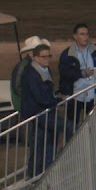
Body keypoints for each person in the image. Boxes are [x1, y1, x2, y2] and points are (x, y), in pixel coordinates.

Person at [57, 22, 96, 129]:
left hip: (93, 94)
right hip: (75, 95)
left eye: (87, 34)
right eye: (82, 34)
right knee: (72, 126)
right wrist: (81, 73)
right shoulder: (67, 54)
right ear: (75, 36)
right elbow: (64, 72)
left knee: (95, 125)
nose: (85, 37)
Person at [19, 42, 60, 178]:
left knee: (45, 143)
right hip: (37, 113)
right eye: (44, 56)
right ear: (34, 56)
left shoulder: (42, 69)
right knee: (39, 145)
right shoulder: (29, 71)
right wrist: (55, 100)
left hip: (43, 112)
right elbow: (39, 95)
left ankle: (42, 174)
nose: (47, 59)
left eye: (49, 56)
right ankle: (35, 175)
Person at [8, 35, 45, 116]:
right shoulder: (23, 66)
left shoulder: (39, 63)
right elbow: (17, 86)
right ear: (30, 52)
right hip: (25, 106)